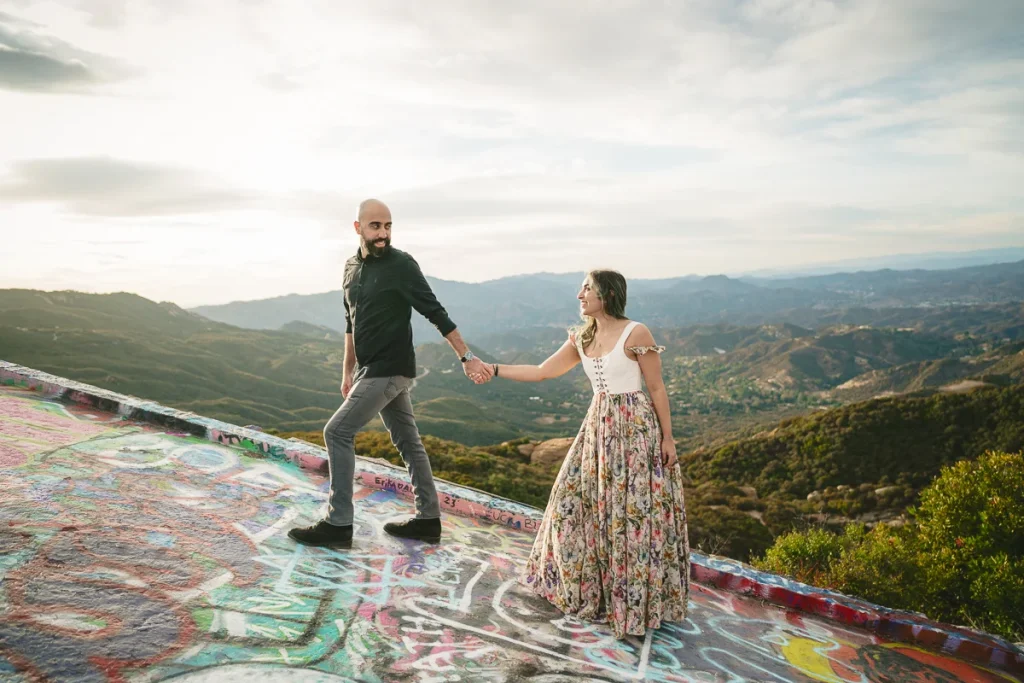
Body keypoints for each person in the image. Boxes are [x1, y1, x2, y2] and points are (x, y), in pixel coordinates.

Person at [486, 269, 689, 640]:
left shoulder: (636, 333)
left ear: (606, 295)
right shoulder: (582, 335)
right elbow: (543, 372)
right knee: (569, 502)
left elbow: (657, 388)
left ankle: (629, 605)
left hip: (636, 430)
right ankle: (587, 591)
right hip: (597, 428)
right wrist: (494, 369)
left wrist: (669, 438)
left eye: (587, 288)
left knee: (630, 518)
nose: (580, 295)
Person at [288, 199, 493, 549]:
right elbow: (351, 322)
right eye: (375, 226)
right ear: (358, 228)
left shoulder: (402, 265)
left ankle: (338, 524)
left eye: (388, 226)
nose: (383, 233)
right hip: (368, 369)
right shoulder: (351, 267)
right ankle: (428, 521)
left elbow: (436, 313)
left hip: (392, 368)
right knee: (409, 443)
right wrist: (347, 371)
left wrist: (468, 357)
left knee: (337, 432)